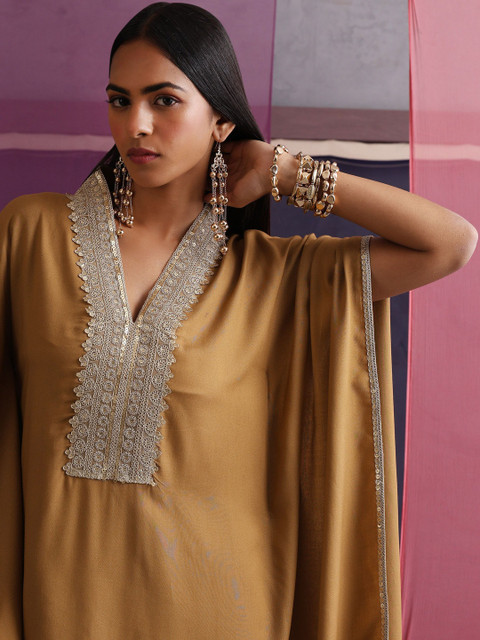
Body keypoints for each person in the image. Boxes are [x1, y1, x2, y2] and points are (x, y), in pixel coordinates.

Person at [0, 3, 476, 639]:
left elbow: (449, 244)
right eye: (119, 100)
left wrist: (285, 171)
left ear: (221, 120)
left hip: (224, 608)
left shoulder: (273, 277)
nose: (136, 124)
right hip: (59, 607)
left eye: (164, 100)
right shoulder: (30, 235)